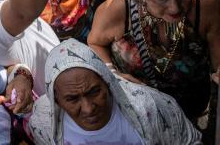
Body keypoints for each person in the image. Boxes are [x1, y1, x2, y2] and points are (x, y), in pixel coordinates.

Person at [88, 0, 220, 119]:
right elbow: (95, 42)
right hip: (139, 106)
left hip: (191, 102)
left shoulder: (205, 5)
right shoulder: (118, 9)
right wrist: (113, 74)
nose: (175, 7)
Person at [29, 38, 202, 144]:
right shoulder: (43, 122)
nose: (89, 108)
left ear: (108, 82)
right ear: (56, 100)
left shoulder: (151, 107)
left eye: (94, 92)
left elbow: (189, 141)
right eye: (73, 99)